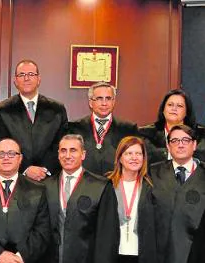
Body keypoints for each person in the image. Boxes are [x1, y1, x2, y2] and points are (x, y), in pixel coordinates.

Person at [43, 134, 119, 263]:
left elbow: (108, 236)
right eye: (63, 151)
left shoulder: (101, 187)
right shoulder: (45, 186)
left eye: (73, 150)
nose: (67, 156)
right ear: (58, 154)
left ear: (83, 154)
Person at [0, 59, 68, 181]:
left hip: (50, 178)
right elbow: (0, 145)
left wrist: (45, 169)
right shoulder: (2, 110)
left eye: (31, 74)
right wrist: (26, 168)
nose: (26, 78)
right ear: (15, 81)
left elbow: (61, 143)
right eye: (21, 75)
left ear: (39, 79)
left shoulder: (57, 109)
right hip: (16, 177)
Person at [150, 125, 205, 263]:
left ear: (194, 145)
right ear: (168, 146)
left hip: (199, 253)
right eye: (174, 141)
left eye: (185, 140)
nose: (180, 145)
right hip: (160, 251)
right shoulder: (153, 173)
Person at [68, 82, 138, 177]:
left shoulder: (128, 129)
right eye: (99, 99)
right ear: (90, 103)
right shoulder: (75, 128)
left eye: (108, 99)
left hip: (116, 184)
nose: (104, 103)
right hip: (84, 184)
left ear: (114, 102)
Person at [107, 136, 156, 263]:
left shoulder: (151, 188)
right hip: (112, 254)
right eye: (129, 153)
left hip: (141, 255)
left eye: (138, 154)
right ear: (120, 158)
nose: (134, 158)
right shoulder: (107, 185)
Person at [139, 89, 205, 164]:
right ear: (163, 110)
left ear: (187, 112)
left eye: (179, 106)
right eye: (170, 105)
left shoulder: (204, 136)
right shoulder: (145, 134)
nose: (174, 109)